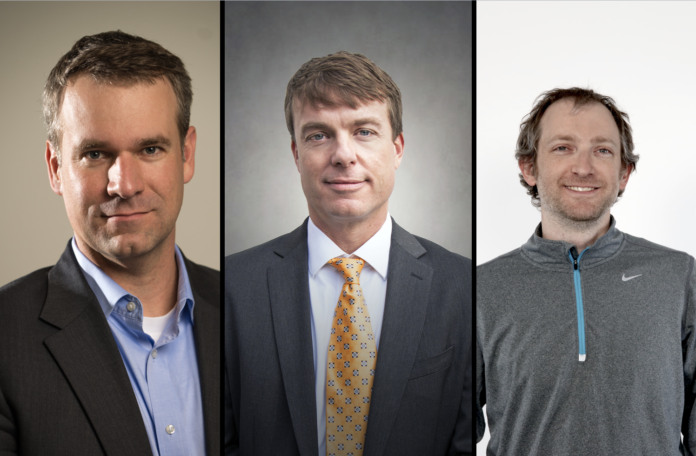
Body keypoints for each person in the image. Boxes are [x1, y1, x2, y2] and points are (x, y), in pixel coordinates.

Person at [224, 51, 472, 455]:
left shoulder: (461, 286)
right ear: (295, 155)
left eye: (364, 131)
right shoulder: (233, 288)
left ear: (398, 149)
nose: (343, 155)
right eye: (318, 135)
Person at [0, 31, 219, 456]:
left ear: (187, 154)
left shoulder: (245, 310)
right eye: (95, 154)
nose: (125, 184)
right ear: (55, 167)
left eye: (151, 148)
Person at [476, 87, 696, 455]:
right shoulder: (481, 289)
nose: (583, 167)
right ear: (529, 167)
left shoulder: (678, 276)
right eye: (563, 147)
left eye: (602, 150)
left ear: (624, 172)